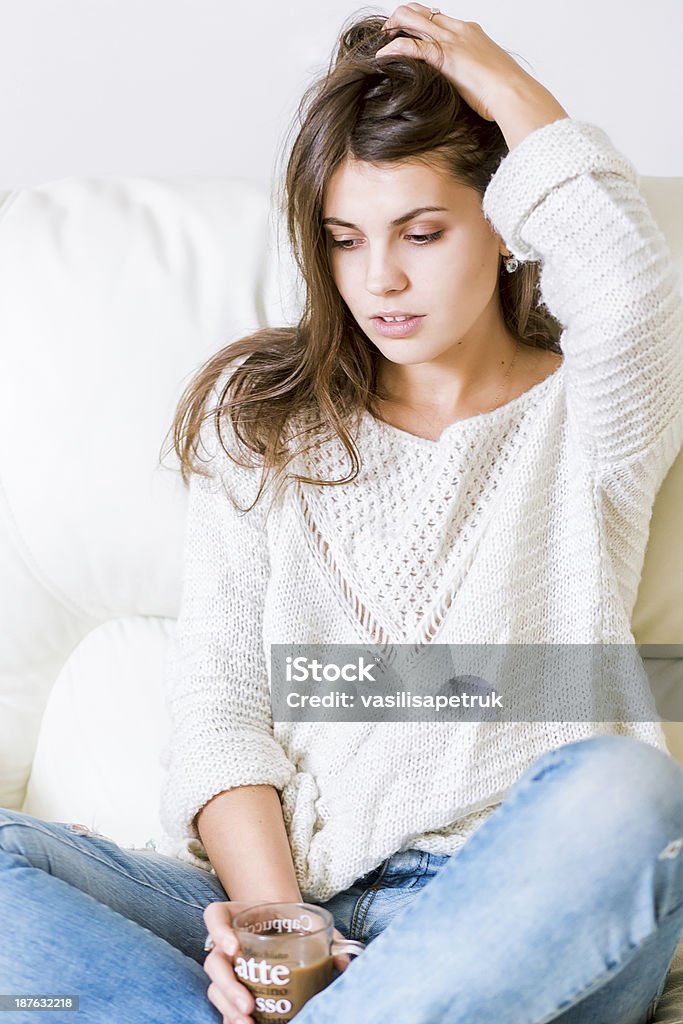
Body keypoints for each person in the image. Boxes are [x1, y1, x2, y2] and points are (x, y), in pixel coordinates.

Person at [1, 5, 683, 1023]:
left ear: (505, 222)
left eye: (421, 231)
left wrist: (489, 71)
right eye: (344, 238)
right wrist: (278, 929)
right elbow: (222, 699)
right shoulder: (265, 421)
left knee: (628, 792)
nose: (381, 279)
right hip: (312, 910)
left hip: (519, 917)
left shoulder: (593, 410)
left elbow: (627, 277)